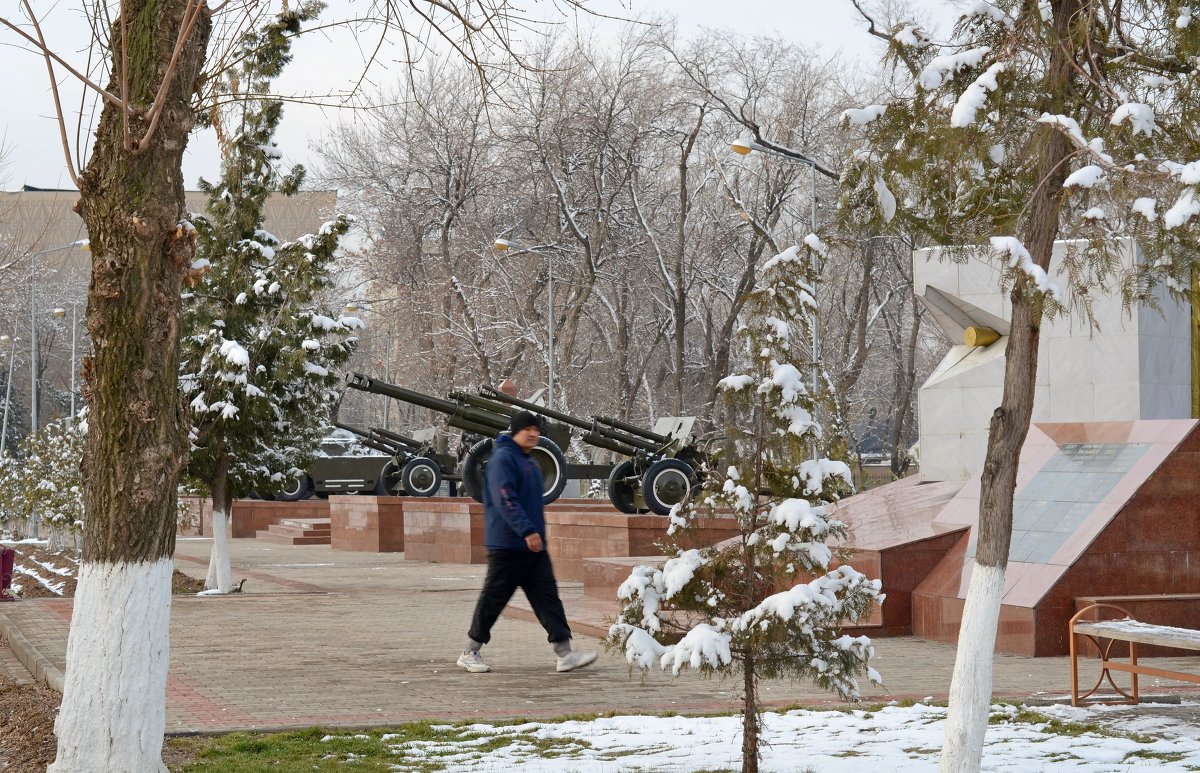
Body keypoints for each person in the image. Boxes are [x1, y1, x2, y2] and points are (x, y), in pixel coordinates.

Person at [458, 410, 597, 673]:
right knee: (493, 600)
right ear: (516, 431)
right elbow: (505, 500)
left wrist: (535, 535)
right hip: (508, 545)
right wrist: (526, 531)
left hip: (532, 546)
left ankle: (565, 653)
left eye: (536, 429)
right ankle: (469, 651)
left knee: (548, 599)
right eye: (528, 429)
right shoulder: (503, 459)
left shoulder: (529, 462)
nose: (534, 434)